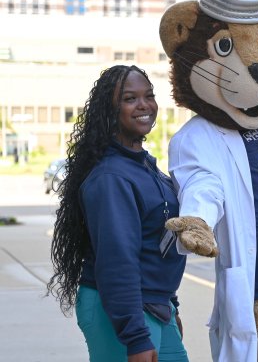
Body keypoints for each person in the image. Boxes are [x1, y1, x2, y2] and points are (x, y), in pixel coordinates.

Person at [47, 65, 187, 362]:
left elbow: (155, 243)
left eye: (149, 96)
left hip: (153, 305)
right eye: (129, 98)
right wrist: (135, 337)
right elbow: (117, 261)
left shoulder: (144, 165)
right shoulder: (112, 177)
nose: (144, 105)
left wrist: (170, 303)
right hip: (121, 310)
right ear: (110, 109)